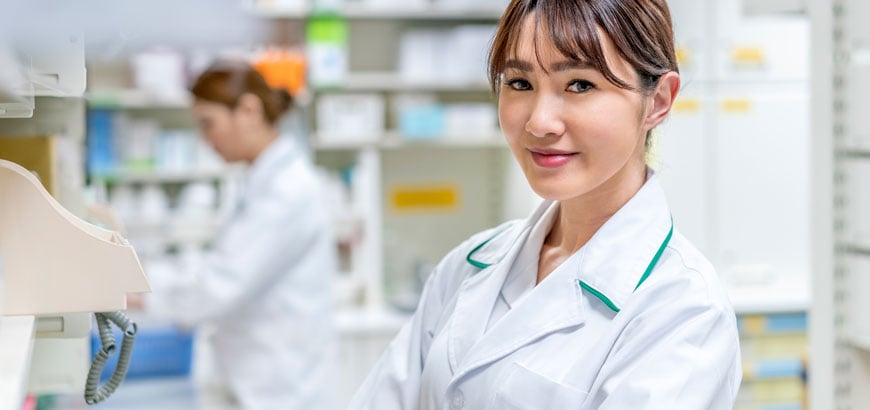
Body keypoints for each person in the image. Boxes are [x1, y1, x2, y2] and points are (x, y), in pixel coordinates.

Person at [349, 0, 741, 409]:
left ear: (658, 101)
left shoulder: (684, 312)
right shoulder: (468, 266)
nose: (539, 122)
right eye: (520, 83)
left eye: (580, 85)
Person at [132, 60, 337, 410]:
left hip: (279, 392)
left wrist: (134, 290)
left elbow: (218, 287)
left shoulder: (287, 192)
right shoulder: (262, 182)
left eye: (208, 123)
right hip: (257, 384)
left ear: (248, 110)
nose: (205, 138)